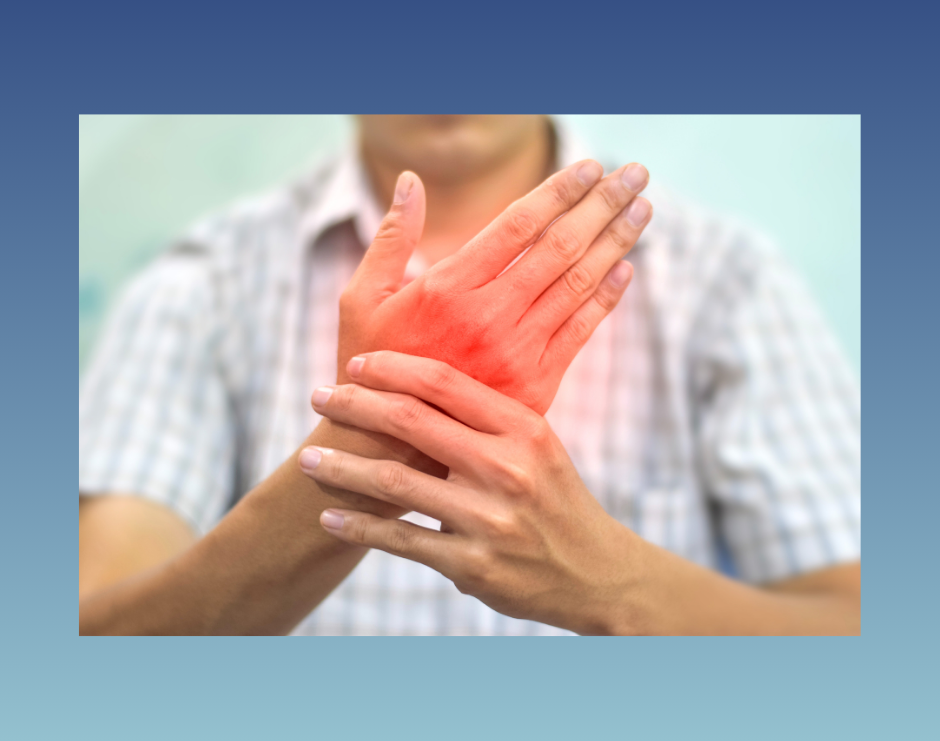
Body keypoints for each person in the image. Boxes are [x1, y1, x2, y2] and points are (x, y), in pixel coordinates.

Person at [78, 115, 861, 635]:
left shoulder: (727, 279)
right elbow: (99, 642)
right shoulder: (202, 281)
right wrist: (377, 438)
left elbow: (866, 635)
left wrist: (616, 582)